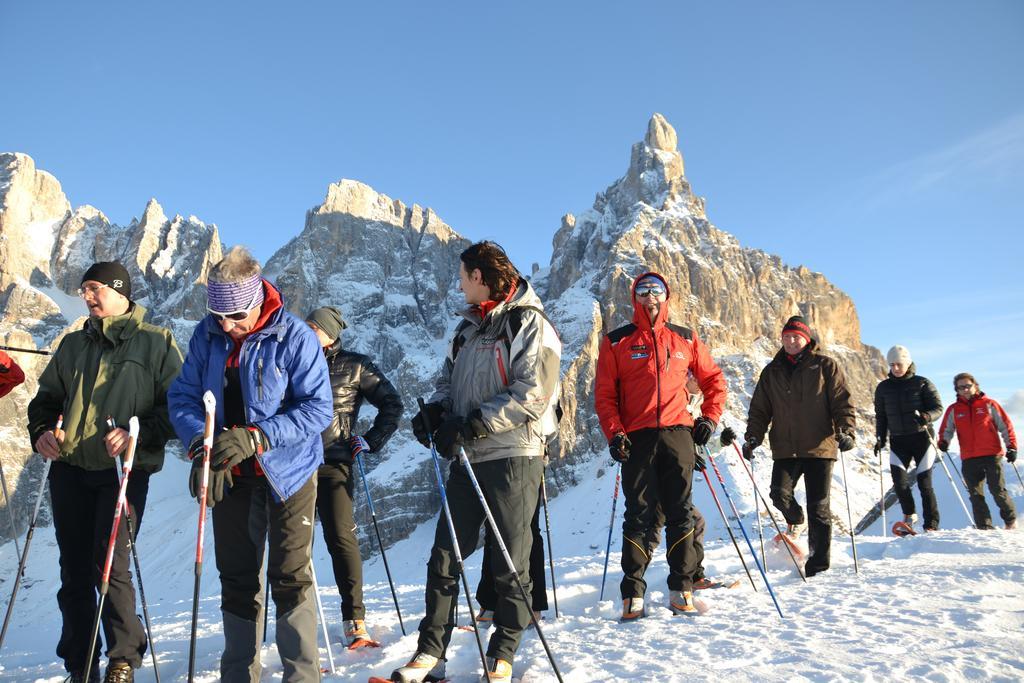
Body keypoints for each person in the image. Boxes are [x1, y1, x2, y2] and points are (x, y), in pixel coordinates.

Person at [168, 247, 333, 682]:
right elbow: (183, 397)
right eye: (217, 314)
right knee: (237, 576)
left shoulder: (294, 336)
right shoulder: (207, 336)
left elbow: (318, 409)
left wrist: (258, 437)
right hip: (231, 475)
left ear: (258, 299)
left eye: (235, 315)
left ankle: (301, 676)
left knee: (290, 575)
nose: (226, 325)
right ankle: (238, 674)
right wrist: (203, 447)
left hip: (289, 474)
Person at [400, 241, 561, 683]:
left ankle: (503, 651)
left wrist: (472, 424)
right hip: (468, 457)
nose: (458, 282)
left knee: (511, 558)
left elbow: (533, 394)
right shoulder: (467, 330)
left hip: (514, 454)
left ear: (480, 277)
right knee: (444, 555)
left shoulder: (529, 323)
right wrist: (435, 411)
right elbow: (445, 381)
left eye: (462, 274)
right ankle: (431, 653)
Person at [27, 262, 183, 683]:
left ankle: (121, 659)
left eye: (94, 288)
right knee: (74, 569)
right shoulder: (73, 345)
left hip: (124, 471)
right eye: (83, 290)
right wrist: (42, 432)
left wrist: (139, 434)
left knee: (109, 566)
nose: (88, 297)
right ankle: (80, 663)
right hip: (70, 468)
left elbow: (178, 408)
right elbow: (45, 400)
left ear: (119, 290)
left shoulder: (156, 342)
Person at [594, 272, 726, 619]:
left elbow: (713, 381)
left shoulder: (685, 338)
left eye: (656, 291)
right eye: (642, 291)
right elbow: (605, 396)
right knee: (638, 515)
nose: (649, 297)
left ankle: (681, 587)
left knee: (680, 512)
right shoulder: (616, 342)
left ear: (666, 297)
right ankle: (632, 593)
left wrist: (709, 419)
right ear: (634, 298)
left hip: (678, 435)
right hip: (636, 438)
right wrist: (615, 433)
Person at [305, 305, 403, 648]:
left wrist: (371, 440)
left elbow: (392, 402)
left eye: (312, 326)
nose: (306, 329)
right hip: (296, 464)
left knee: (341, 540)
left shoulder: (355, 365)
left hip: (334, 462)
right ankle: (297, 622)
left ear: (329, 332)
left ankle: (354, 619)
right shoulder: (293, 359)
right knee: (295, 546)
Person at [742, 315, 855, 578]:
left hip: (819, 448)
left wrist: (846, 430)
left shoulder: (825, 366)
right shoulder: (771, 371)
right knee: (779, 494)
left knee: (820, 507)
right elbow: (760, 409)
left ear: (806, 339)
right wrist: (753, 437)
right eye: (786, 337)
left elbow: (841, 402)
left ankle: (818, 564)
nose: (791, 341)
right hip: (785, 447)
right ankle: (795, 519)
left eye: (796, 337)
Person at [873, 345, 944, 531]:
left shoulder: (922, 383)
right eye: (892, 364)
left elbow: (938, 408)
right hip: (898, 440)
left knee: (924, 483)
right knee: (899, 482)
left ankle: (931, 525)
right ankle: (909, 517)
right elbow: (881, 416)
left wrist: (926, 417)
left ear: (908, 363)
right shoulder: (883, 388)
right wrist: (880, 437)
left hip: (922, 438)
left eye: (899, 364)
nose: (895, 368)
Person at [937, 373, 1017, 530]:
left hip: (992, 455)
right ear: (957, 390)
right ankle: (984, 527)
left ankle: (1011, 521)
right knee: (975, 495)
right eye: (961, 387)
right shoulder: (954, 410)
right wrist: (944, 442)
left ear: (975, 385)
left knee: (997, 490)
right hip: (969, 457)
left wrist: (1011, 447)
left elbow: (1005, 426)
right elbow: (946, 429)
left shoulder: (989, 404)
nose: (965, 389)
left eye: (968, 386)